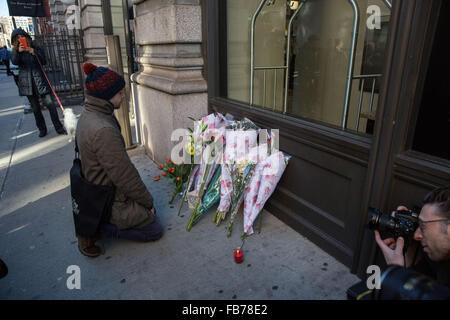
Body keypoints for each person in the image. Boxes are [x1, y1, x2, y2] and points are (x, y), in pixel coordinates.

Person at [75, 62, 163, 257]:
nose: (124, 96)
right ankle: (102, 226)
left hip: (96, 189)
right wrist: (148, 203)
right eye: (120, 93)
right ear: (107, 96)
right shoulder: (103, 129)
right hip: (106, 198)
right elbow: (124, 176)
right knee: (154, 229)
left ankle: (100, 222)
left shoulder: (90, 115)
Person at [374, 186, 450, 287]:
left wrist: (396, 272)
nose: (416, 236)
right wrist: (409, 254)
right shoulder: (440, 254)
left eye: (422, 226)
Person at [10, 28, 66, 137]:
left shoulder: (35, 46)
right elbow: (15, 62)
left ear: (26, 36)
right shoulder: (16, 50)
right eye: (17, 38)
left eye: (22, 36)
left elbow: (44, 61)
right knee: (36, 108)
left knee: (51, 105)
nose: (20, 39)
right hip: (27, 83)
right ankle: (42, 129)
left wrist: (33, 52)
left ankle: (59, 127)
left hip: (40, 80)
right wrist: (18, 52)